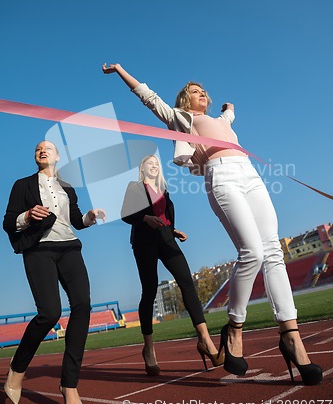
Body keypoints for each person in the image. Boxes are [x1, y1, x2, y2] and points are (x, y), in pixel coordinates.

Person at [103, 62, 322, 385]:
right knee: (252, 253)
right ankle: (233, 329)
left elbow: (227, 119)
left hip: (250, 175)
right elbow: (150, 99)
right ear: (184, 100)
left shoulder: (220, 120)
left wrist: (229, 110)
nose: (201, 93)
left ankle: (292, 337)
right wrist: (122, 71)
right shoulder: (184, 119)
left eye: (203, 90)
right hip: (221, 177)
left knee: (273, 251)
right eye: (194, 91)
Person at [3, 141, 106, 404]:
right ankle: (17, 369)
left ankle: (69, 385)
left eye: (48, 148)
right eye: (37, 148)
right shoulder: (22, 185)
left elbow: (76, 220)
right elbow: (8, 221)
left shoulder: (67, 188)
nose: (42, 150)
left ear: (58, 156)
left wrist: (91, 217)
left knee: (83, 304)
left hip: (69, 247)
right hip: (38, 250)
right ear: (35, 156)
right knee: (49, 313)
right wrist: (26, 215)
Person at [121, 154, 224, 375]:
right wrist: (145, 219)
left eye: (157, 164)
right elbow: (125, 214)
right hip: (144, 242)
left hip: (167, 239)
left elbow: (165, 217)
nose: (154, 166)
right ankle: (149, 350)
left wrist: (173, 230)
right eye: (150, 163)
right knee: (149, 290)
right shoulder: (135, 187)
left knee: (187, 282)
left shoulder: (164, 191)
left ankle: (205, 340)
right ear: (142, 168)